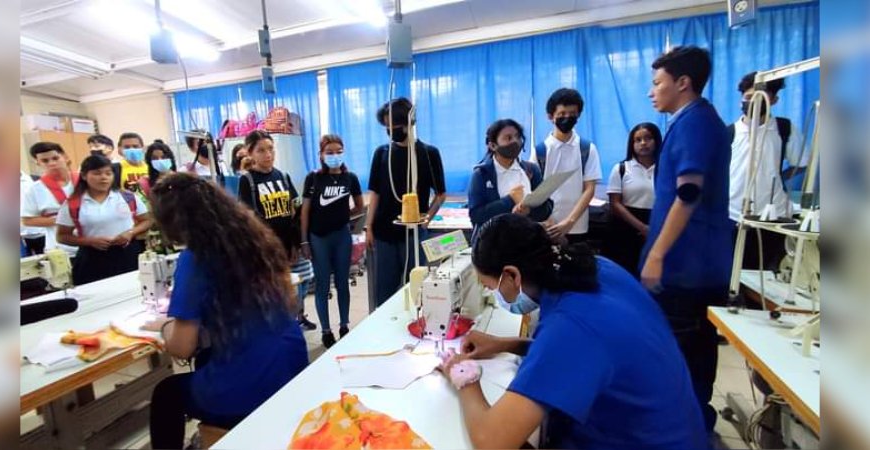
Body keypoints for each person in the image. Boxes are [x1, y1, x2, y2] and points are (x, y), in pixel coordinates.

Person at [439, 214, 708, 449]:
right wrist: (504, 344)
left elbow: (492, 441)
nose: (491, 293)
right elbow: (583, 356)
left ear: (512, 275)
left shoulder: (572, 325)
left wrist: (463, 376)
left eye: (490, 286)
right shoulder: (596, 269)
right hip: (675, 432)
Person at [144, 173, 309, 450]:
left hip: (250, 385)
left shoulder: (195, 257)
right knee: (209, 358)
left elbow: (182, 347)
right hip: (292, 366)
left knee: (166, 394)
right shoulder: (257, 242)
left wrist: (163, 326)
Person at [642, 46, 733, 431]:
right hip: (692, 263)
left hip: (686, 267)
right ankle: (691, 416)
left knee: (683, 348)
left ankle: (686, 424)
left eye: (657, 83)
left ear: (683, 83)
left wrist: (658, 255)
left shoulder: (696, 122)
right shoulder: (691, 121)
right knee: (691, 346)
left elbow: (689, 194)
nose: (652, 91)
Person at [366, 97, 446, 308]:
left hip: (414, 232)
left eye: (395, 125)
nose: (391, 130)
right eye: (387, 127)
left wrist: (426, 218)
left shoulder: (429, 153)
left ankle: (415, 326)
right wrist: (369, 227)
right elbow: (374, 193)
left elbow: (440, 194)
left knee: (416, 285)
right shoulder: (382, 154)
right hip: (384, 232)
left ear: (409, 122)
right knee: (384, 288)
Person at [238, 130, 317, 330]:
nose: (268, 154)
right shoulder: (247, 181)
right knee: (280, 289)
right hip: (269, 248)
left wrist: (295, 242)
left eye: (271, 149)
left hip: (290, 243)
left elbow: (295, 209)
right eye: (261, 150)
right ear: (250, 152)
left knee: (302, 282)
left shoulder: (283, 176)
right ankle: (284, 325)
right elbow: (248, 217)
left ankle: (298, 316)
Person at [729, 71, 807, 270]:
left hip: (772, 216)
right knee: (733, 273)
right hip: (733, 215)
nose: (753, 102)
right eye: (748, 98)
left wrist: (777, 178)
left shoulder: (783, 129)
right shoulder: (729, 133)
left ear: (774, 100)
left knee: (765, 273)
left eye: (760, 97)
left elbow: (802, 162)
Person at [300, 134, 364, 348]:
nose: (334, 155)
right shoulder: (313, 178)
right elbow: (305, 211)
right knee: (322, 285)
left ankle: (345, 325)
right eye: (329, 152)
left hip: (341, 237)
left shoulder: (351, 178)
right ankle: (326, 331)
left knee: (342, 283)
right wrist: (304, 241)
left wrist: (343, 217)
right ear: (321, 155)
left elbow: (359, 206)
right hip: (318, 238)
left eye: (338, 151)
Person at [55, 155, 152, 285]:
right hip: (92, 259)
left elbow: (147, 220)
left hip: (128, 254)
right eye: (97, 173)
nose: (104, 177)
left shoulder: (127, 197)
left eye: (108, 173)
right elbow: (62, 236)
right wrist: (89, 241)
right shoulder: (73, 204)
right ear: (84, 176)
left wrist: (130, 233)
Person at [535, 88, 603, 244]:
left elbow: (589, 189)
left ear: (578, 115)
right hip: (546, 226)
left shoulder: (587, 149)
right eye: (562, 114)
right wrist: (550, 222)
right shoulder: (540, 151)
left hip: (578, 226)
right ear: (550, 117)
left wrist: (569, 222)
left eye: (572, 114)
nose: (567, 118)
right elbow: (535, 192)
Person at [467, 119, 552, 243]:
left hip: (526, 242)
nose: (515, 141)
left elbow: (546, 208)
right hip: (493, 245)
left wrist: (529, 210)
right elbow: (476, 215)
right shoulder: (481, 174)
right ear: (493, 145)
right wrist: (509, 200)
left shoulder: (531, 170)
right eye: (508, 138)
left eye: (518, 137)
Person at [604, 122, 662, 276]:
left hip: (657, 225)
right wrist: (642, 227)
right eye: (638, 140)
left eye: (648, 138)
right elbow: (615, 204)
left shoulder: (666, 169)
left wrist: (654, 228)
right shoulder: (622, 169)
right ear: (632, 144)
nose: (643, 143)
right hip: (626, 227)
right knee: (625, 273)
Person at [20, 142, 78, 257]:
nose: (52, 163)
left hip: (94, 245)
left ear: (65, 157)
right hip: (61, 250)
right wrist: (61, 220)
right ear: (38, 163)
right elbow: (27, 220)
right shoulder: (35, 189)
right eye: (45, 161)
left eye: (55, 158)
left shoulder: (85, 180)